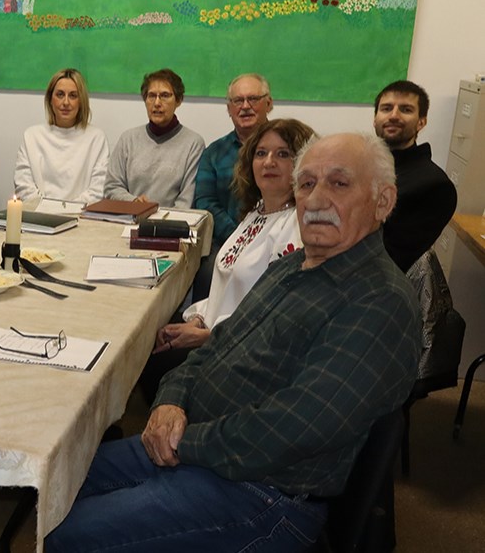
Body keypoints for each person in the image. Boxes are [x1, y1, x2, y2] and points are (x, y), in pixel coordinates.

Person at [45, 132, 421, 552]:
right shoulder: (294, 266)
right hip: (203, 450)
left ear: (383, 201)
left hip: (263, 495)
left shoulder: (379, 301)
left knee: (69, 534)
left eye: (339, 183)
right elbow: (219, 343)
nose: (315, 199)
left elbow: (292, 429)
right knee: (56, 484)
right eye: (307, 183)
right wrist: (171, 399)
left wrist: (183, 442)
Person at [142, 119, 313, 401]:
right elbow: (228, 286)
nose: (269, 162)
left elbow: (276, 315)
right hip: (216, 332)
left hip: (244, 354)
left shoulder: (295, 224)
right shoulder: (255, 214)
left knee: (153, 361)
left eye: (283, 154)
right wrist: (197, 319)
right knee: (152, 333)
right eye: (261, 153)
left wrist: (207, 337)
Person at [191, 73, 273, 299]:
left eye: (253, 99)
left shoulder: (289, 147)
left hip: (277, 239)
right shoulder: (214, 153)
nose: (245, 106)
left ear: (269, 103)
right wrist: (238, 236)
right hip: (227, 240)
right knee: (207, 274)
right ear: (229, 109)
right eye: (238, 101)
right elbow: (205, 202)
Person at [373, 79, 457, 272]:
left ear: (422, 122)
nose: (394, 116)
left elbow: (389, 258)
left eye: (405, 109)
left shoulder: (435, 186)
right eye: (386, 108)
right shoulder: (358, 166)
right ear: (375, 119)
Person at [103, 68, 205, 207]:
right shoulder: (128, 139)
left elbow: (187, 200)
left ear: (179, 100)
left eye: (165, 95)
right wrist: (134, 202)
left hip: (170, 225)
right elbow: (111, 187)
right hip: (129, 220)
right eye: (151, 96)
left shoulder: (193, 144)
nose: (157, 103)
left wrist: (157, 218)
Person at [13, 68, 109, 205]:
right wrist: (48, 209)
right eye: (60, 94)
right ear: (50, 100)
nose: (66, 102)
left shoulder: (96, 138)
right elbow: (23, 186)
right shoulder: (31, 136)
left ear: (81, 101)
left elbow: (98, 190)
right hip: (40, 216)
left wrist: (68, 210)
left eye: (73, 96)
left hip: (82, 217)